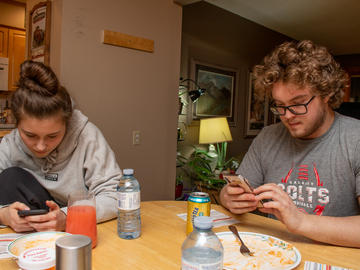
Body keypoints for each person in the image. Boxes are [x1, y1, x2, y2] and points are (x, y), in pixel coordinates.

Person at [220, 40, 360, 248]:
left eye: (298, 103)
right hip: (274, 253)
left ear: (326, 93)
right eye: (280, 106)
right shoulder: (268, 137)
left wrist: (300, 221)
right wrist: (227, 197)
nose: (287, 116)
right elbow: (234, 191)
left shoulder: (355, 138)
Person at [0, 60, 122, 232]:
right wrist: (4, 214)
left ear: (67, 122)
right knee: (10, 177)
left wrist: (68, 217)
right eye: (30, 135)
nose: (41, 146)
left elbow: (115, 196)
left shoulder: (88, 136)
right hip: (31, 233)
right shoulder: (9, 144)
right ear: (16, 124)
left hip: (78, 225)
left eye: (52, 136)